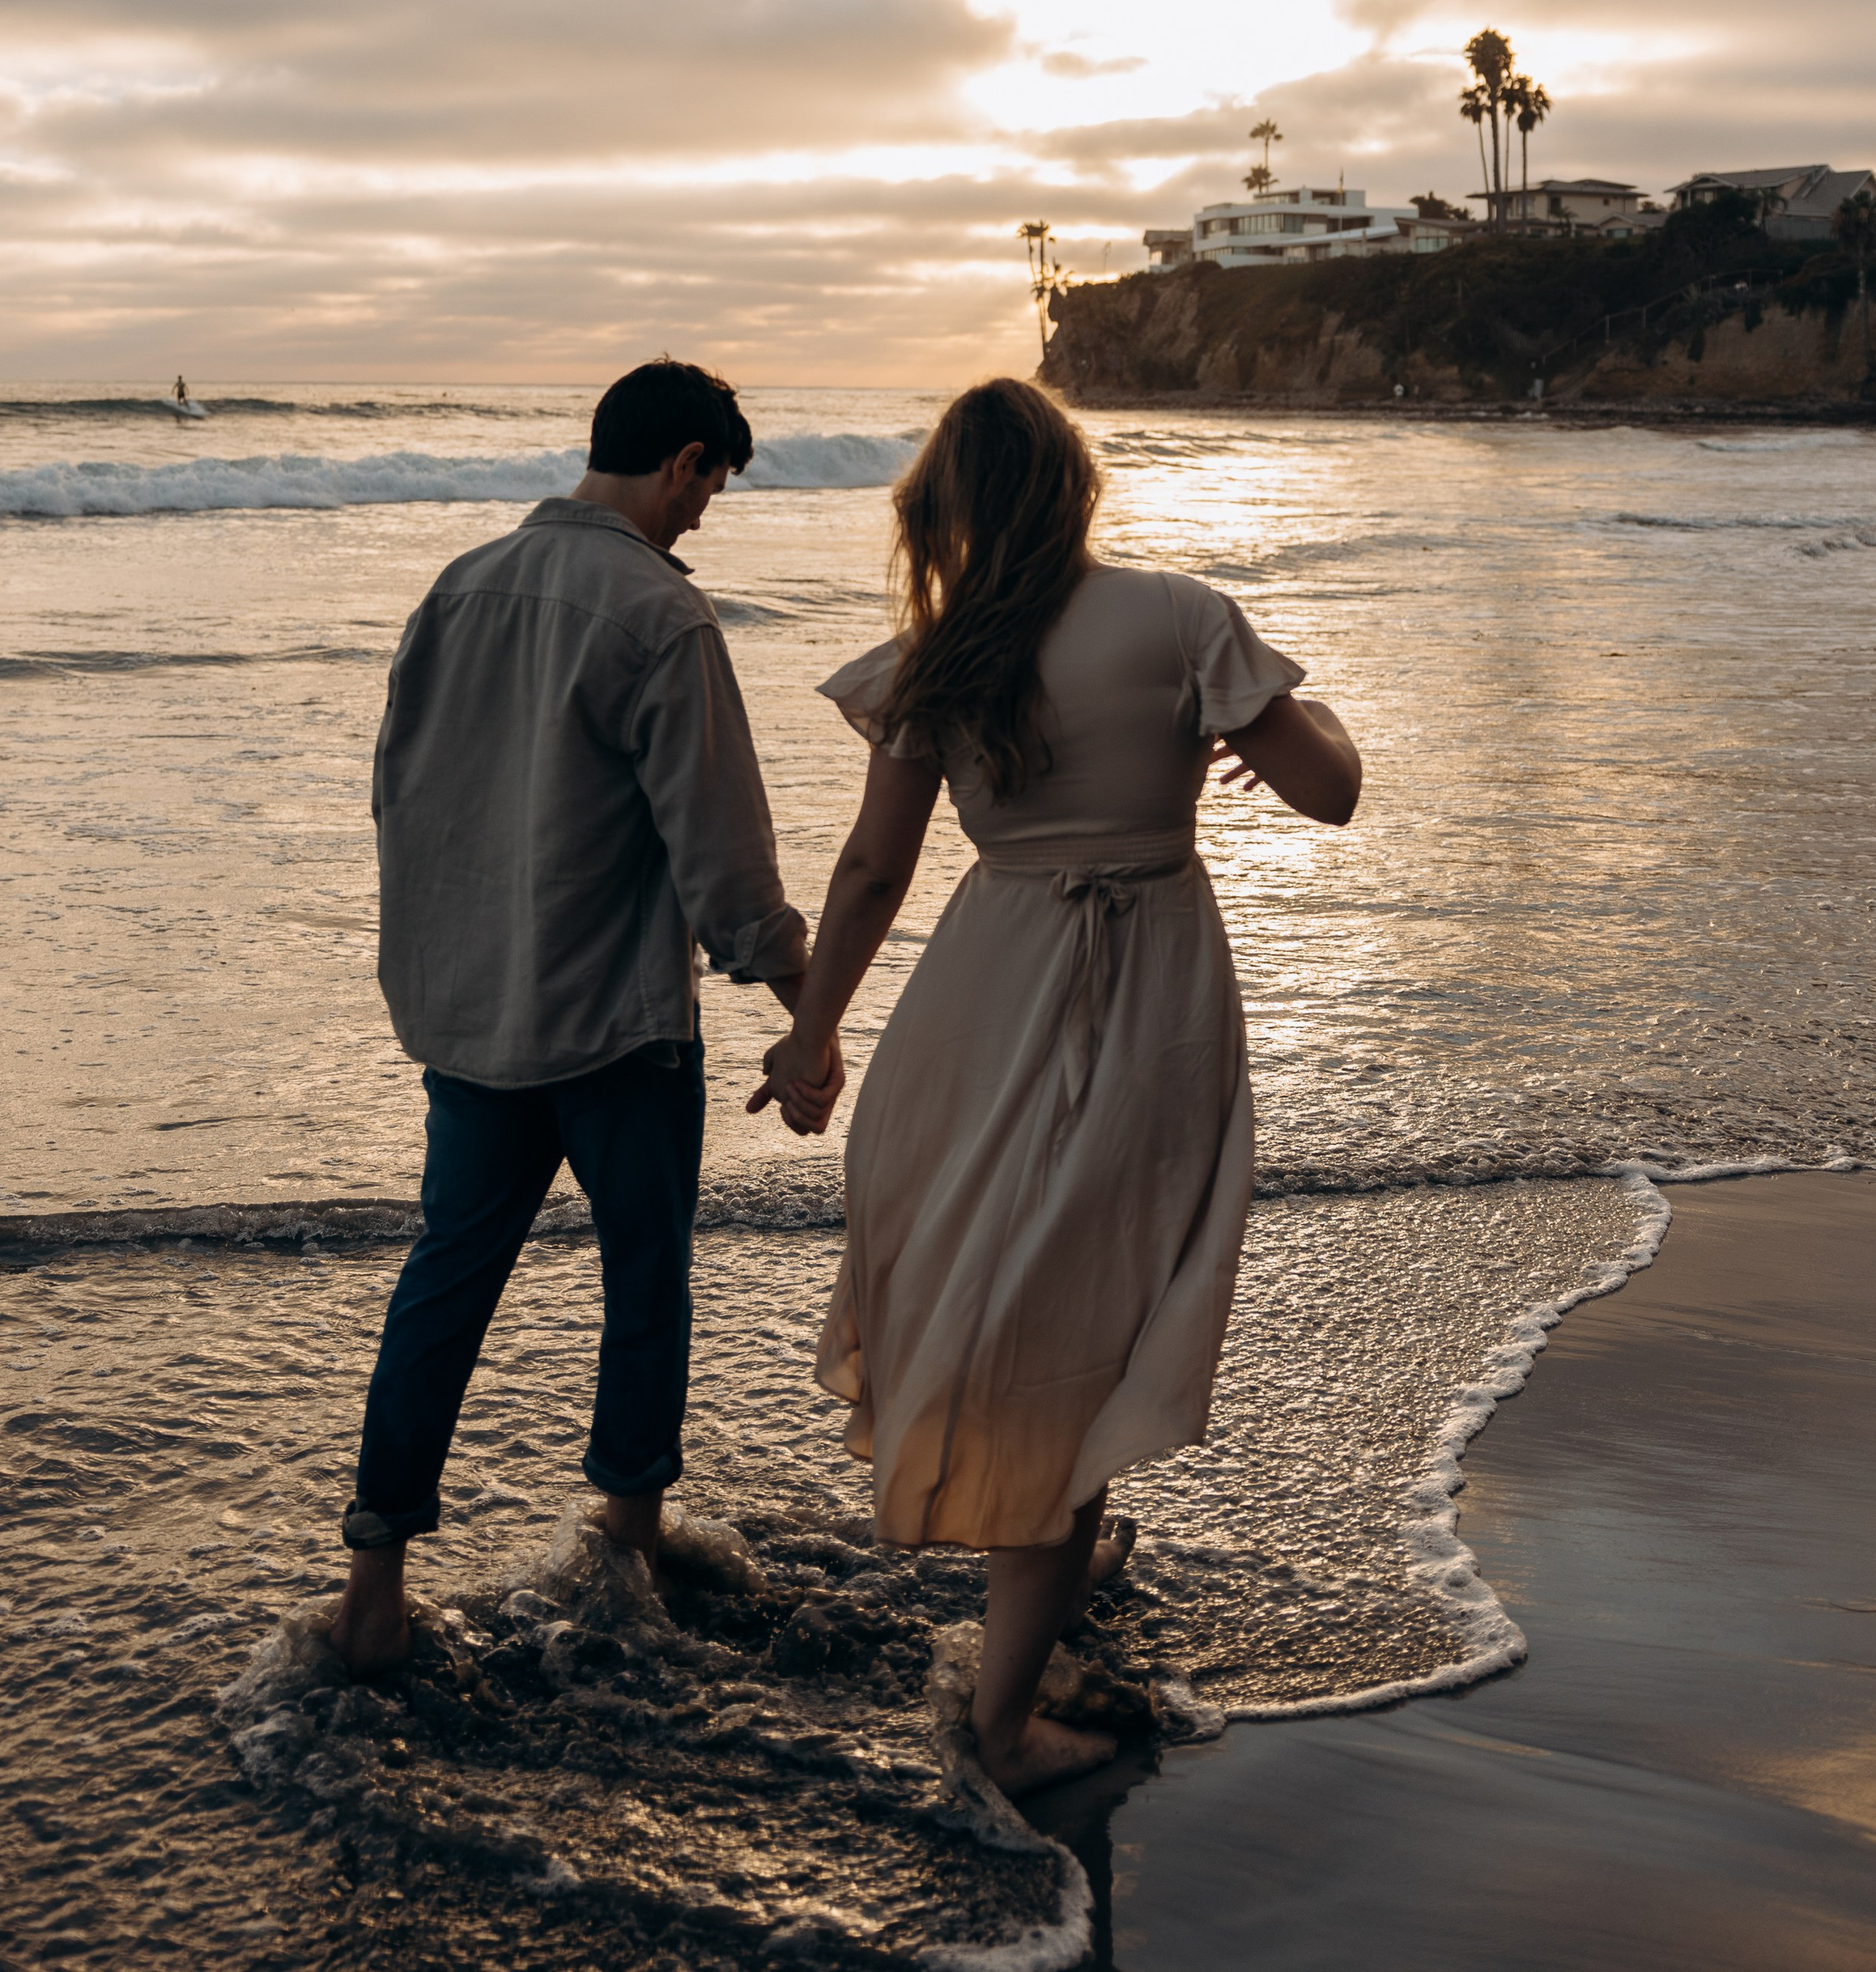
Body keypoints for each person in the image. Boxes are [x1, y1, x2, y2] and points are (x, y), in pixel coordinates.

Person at [750, 378, 1359, 1796]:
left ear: (946, 509)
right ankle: (1005, 1722)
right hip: (1147, 992)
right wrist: (1283, 705)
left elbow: (872, 871)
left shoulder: (942, 655)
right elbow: (1329, 792)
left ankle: (1044, 1547)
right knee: (1098, 1294)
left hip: (983, 988)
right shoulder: (1179, 616)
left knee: (1001, 1275)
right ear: (1075, 490)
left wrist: (813, 1036)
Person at [328, 358, 840, 1675]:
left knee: (444, 1285)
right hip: (617, 1026)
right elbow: (726, 867)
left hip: (475, 1023)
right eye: (711, 486)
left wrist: (432, 976)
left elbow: (403, 798)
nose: (705, 515)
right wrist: (812, 1014)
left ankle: (374, 1591)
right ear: (682, 462)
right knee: (644, 1286)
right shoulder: (660, 615)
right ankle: (626, 1548)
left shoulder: (459, 585)